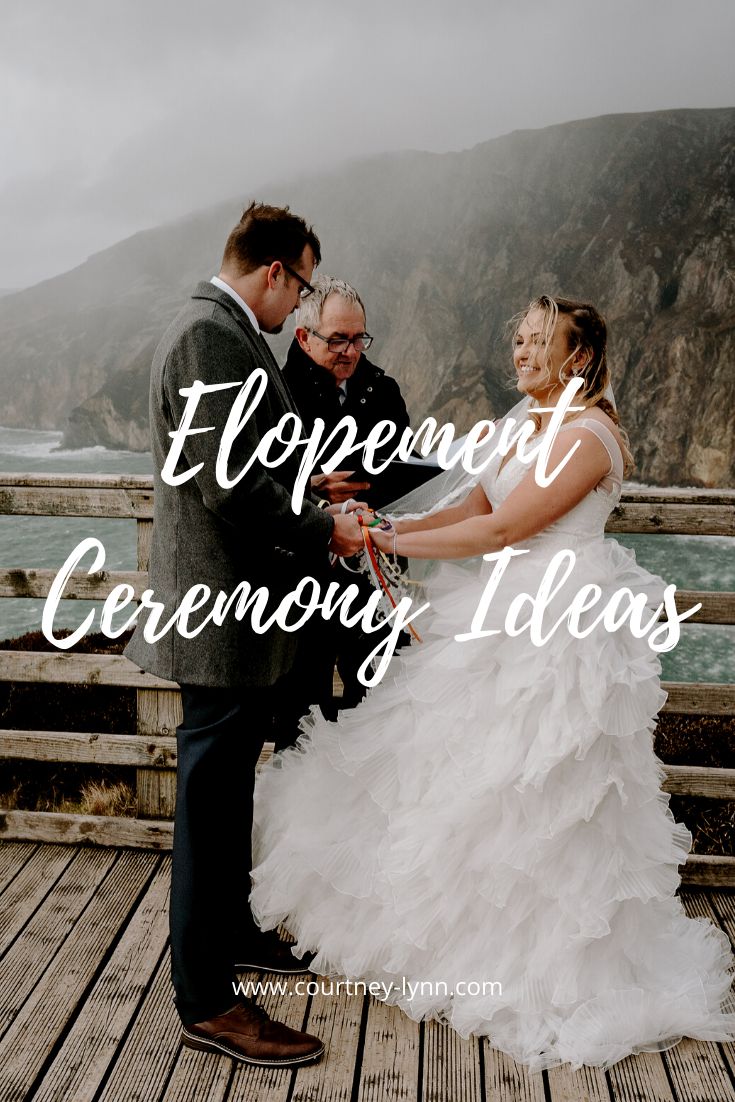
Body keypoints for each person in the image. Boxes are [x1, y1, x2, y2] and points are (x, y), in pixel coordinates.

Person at [250, 295, 735, 1070]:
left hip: (559, 620)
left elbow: (507, 529)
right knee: (467, 773)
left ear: (576, 358)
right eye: (517, 336)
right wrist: (380, 533)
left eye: (539, 341)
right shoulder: (521, 425)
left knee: (543, 782)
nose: (520, 349)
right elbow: (473, 504)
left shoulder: (590, 435)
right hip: (498, 611)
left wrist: (385, 532)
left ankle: (549, 961)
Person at [124, 202, 364, 1068]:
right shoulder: (209, 335)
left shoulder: (217, 329)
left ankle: (232, 937)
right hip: (217, 613)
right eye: (300, 286)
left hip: (230, 612)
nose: (300, 307)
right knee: (208, 800)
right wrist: (321, 527)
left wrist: (306, 485)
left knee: (226, 796)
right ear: (273, 272)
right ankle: (205, 1000)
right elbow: (229, 483)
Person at [274, 276, 412, 739]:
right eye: (337, 339)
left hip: (371, 578)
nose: (351, 352)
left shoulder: (383, 390)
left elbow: (406, 471)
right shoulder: (272, 393)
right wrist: (311, 490)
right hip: (297, 583)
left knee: (384, 710)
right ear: (303, 336)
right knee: (298, 719)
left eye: (358, 338)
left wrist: (374, 486)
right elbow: (253, 484)